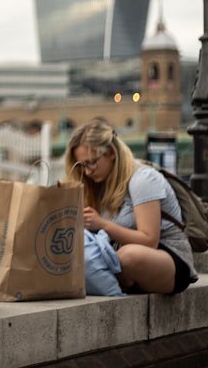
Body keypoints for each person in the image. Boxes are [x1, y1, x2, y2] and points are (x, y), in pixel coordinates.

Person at [64, 119, 197, 295]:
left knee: (127, 257)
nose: (87, 171)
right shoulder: (97, 183)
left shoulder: (143, 179)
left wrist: (103, 224)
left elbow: (149, 241)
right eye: (82, 166)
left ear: (111, 153)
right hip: (116, 256)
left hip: (167, 257)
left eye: (92, 162)